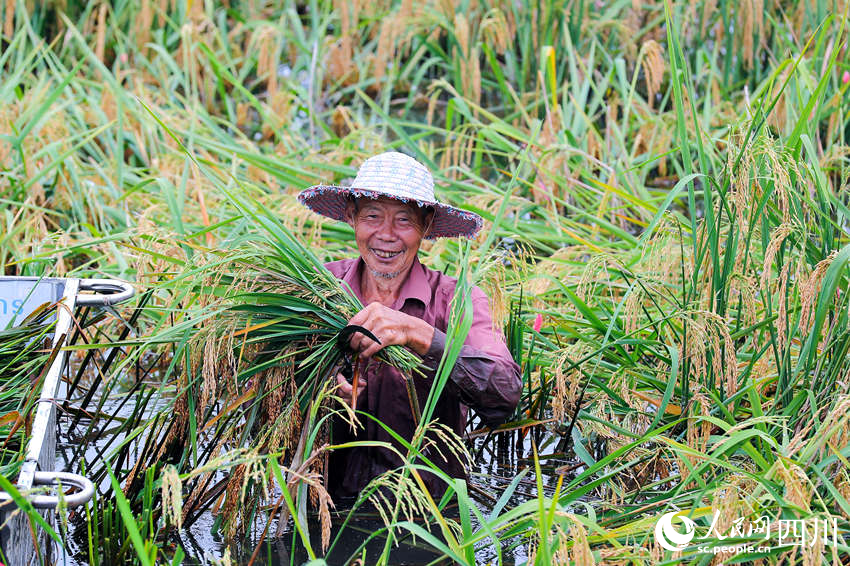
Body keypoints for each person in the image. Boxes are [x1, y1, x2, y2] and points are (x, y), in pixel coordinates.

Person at [297, 151, 521, 501]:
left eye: (404, 220)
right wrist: (322, 395)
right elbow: (266, 388)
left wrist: (420, 334)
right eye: (373, 216)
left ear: (427, 226)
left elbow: (504, 394)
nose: (386, 235)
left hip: (425, 512)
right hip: (322, 504)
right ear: (352, 217)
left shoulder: (458, 300)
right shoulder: (318, 290)